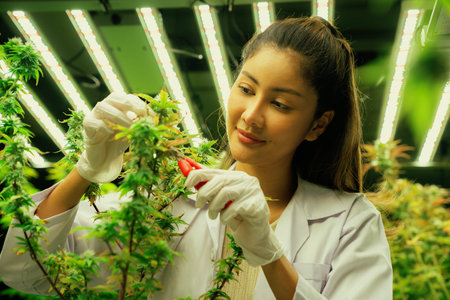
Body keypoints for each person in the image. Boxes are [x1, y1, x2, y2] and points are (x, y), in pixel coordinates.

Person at [0, 16, 392, 299]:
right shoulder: (168, 201)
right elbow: (25, 271)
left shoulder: (349, 222)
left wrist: (270, 255)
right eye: (246, 89)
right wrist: (85, 170)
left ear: (318, 125)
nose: (252, 115)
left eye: (280, 104)